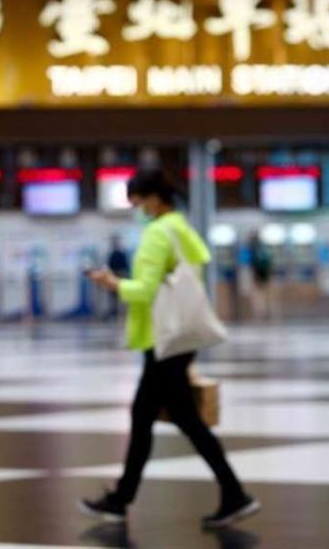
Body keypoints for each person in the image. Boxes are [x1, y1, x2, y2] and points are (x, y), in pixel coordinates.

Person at [81, 169, 259, 529]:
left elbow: (144, 291)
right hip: (179, 340)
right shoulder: (182, 229)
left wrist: (112, 283)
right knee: (161, 418)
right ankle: (124, 498)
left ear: (155, 199)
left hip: (161, 341)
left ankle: (232, 494)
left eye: (139, 200)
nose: (137, 208)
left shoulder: (157, 234)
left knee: (170, 420)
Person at [105, 234, 130, 319]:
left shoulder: (119, 254)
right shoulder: (114, 254)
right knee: (114, 298)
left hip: (118, 277)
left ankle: (120, 313)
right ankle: (116, 313)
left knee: (120, 297)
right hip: (115, 277)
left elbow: (125, 267)